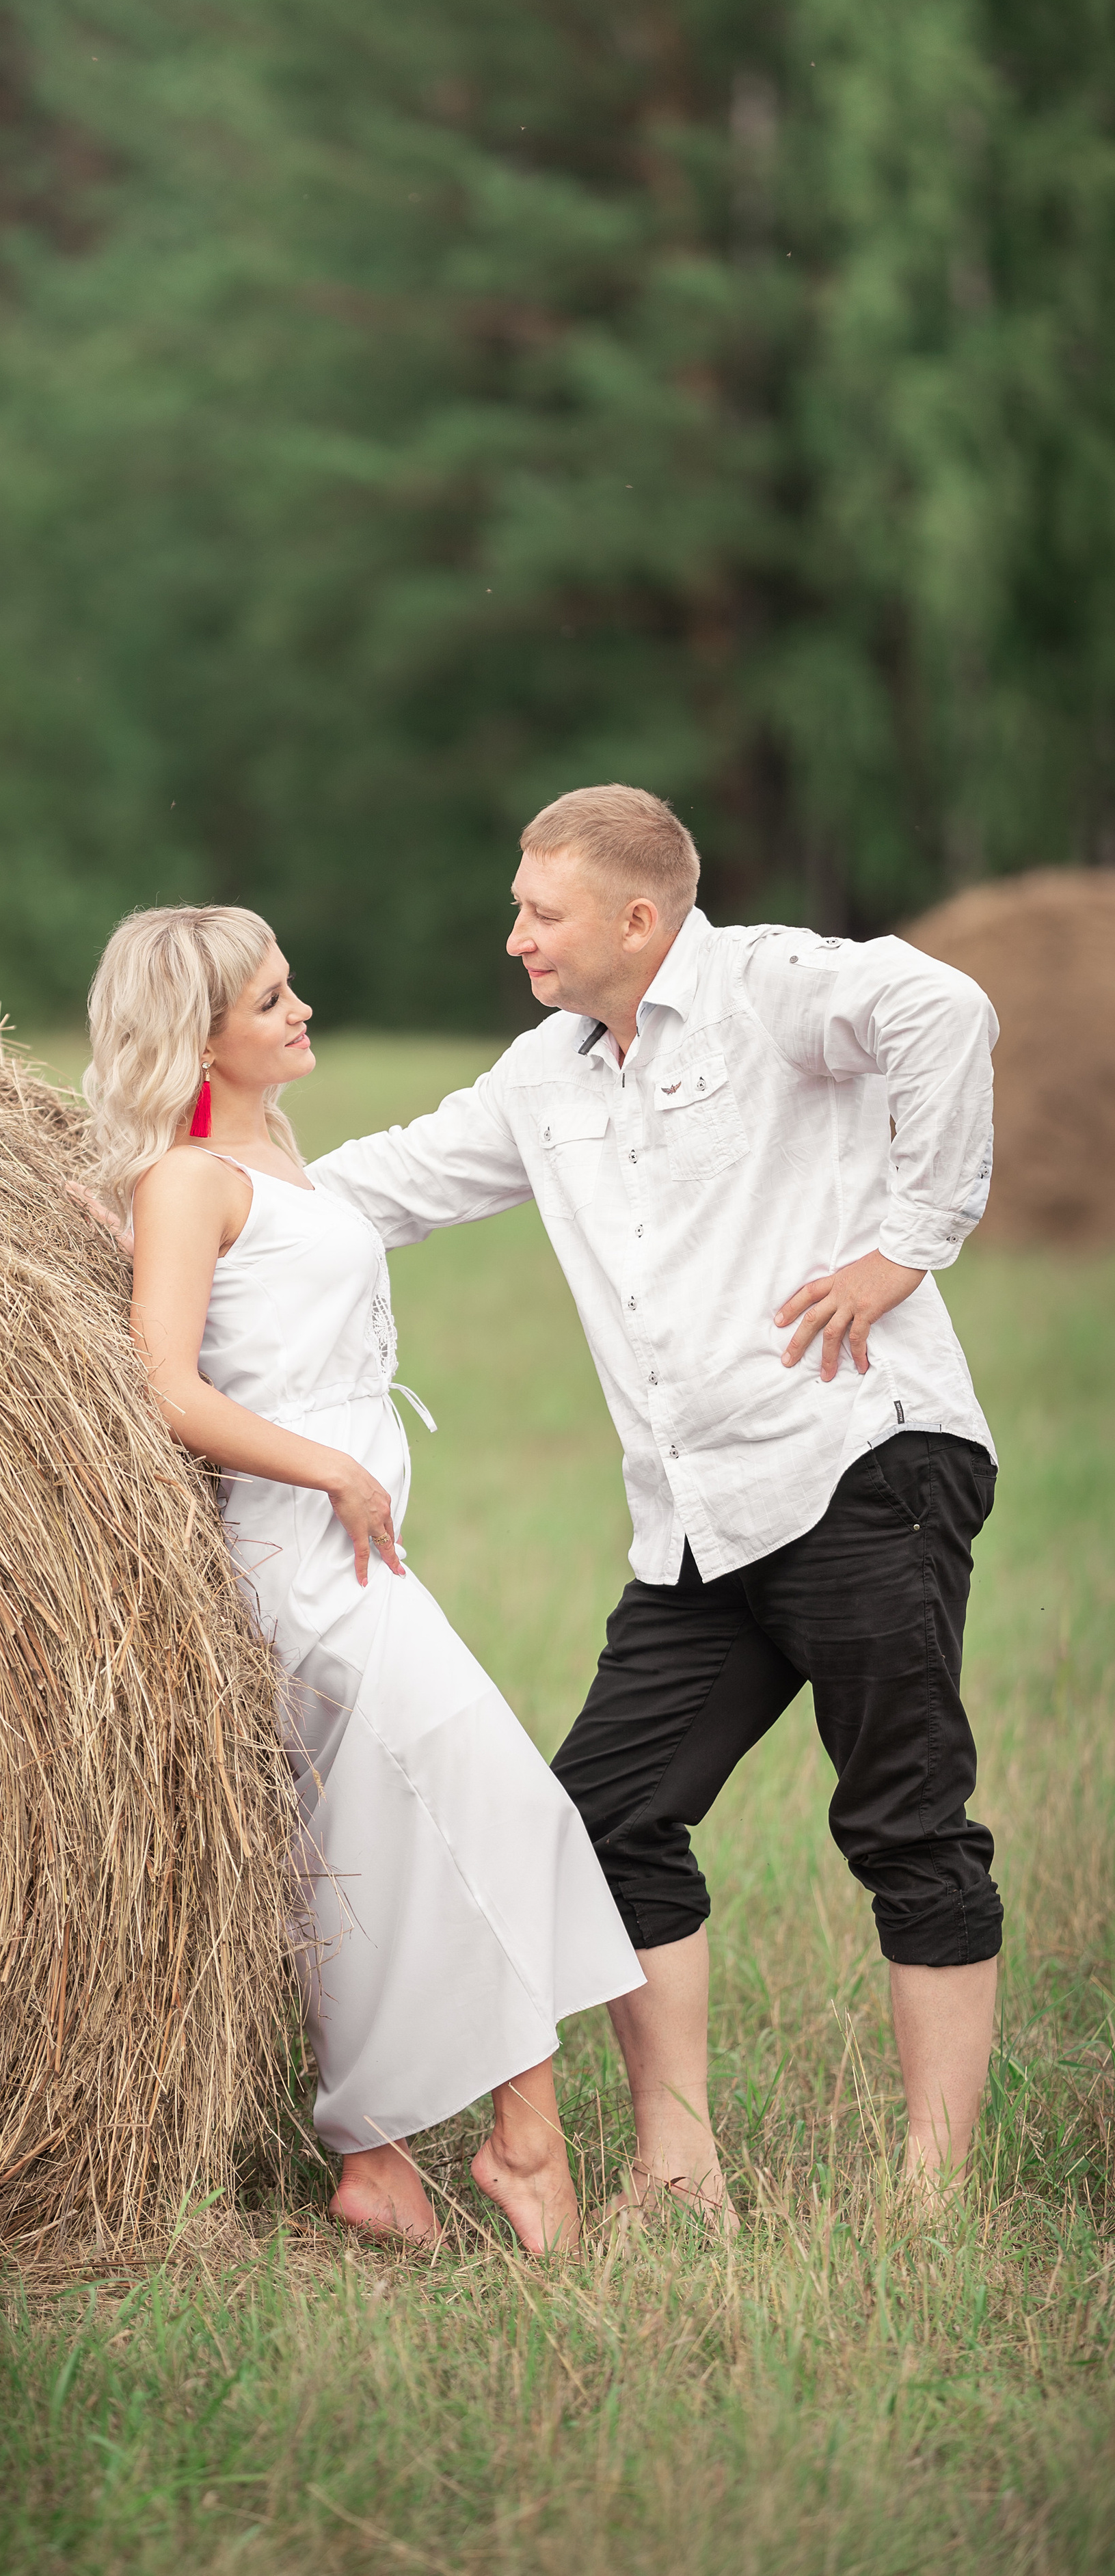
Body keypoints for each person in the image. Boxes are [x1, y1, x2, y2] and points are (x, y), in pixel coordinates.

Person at [310, 784, 1002, 2220]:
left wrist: (907, 1246)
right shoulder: (546, 1076)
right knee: (607, 1819)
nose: (515, 937)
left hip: (857, 1463)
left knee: (903, 1822)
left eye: (540, 913)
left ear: (639, 919)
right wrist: (180, 1214)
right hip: (697, 1521)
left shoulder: (768, 988)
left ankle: (932, 2195)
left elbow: (945, 1008)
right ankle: (678, 2168)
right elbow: (386, 1184)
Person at [83, 905, 644, 2253]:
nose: (301, 1008)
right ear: (198, 1039)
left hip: (354, 1550)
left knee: (373, 1845)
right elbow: (167, 1387)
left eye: (290, 986)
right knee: (499, 1798)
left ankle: (378, 2161)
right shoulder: (189, 1179)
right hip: (299, 1552)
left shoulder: (269, 1153)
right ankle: (523, 2144)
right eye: (269, 1000)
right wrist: (329, 1468)